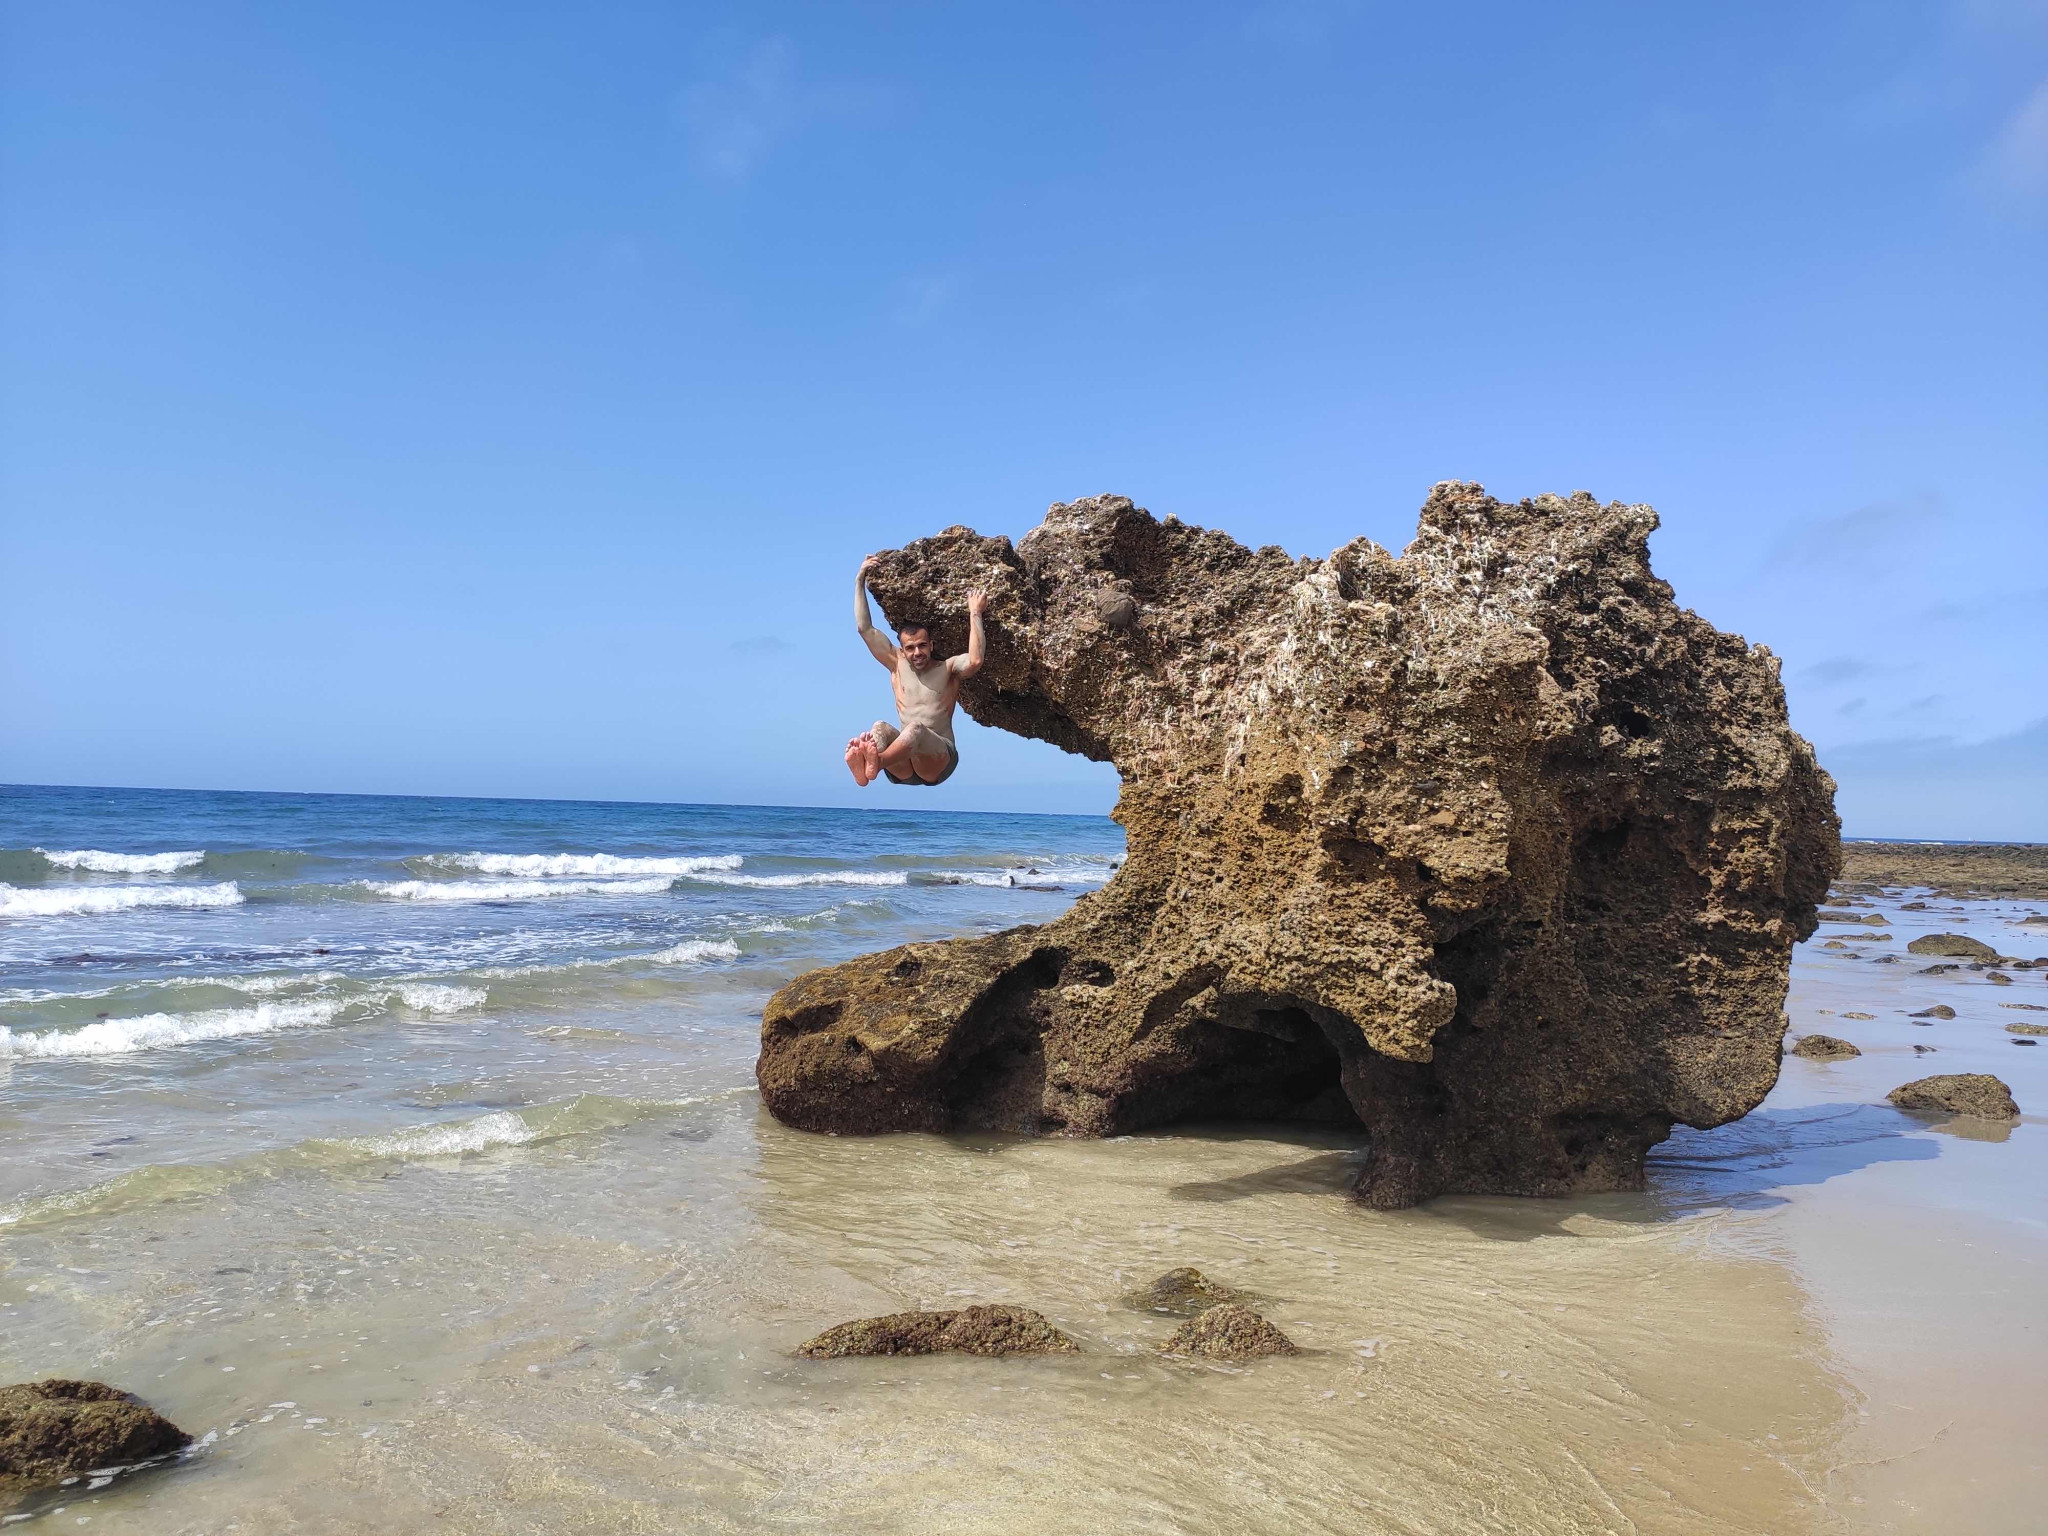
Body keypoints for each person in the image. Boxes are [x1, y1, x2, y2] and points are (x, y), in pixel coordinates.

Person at [844, 555, 986, 787]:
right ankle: (868, 765)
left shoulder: (947, 668)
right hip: (904, 764)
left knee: (916, 729)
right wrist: (859, 580)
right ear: (902, 650)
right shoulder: (896, 663)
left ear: (931, 645)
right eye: (910, 648)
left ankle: (875, 762)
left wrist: (975, 613)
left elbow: (975, 660)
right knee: (879, 727)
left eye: (922, 646)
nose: (917, 652)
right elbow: (864, 628)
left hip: (938, 759)